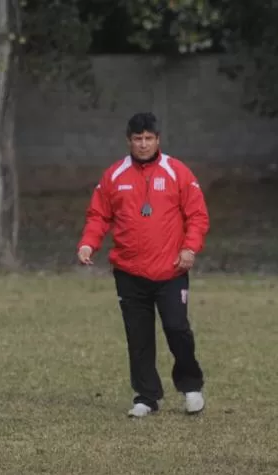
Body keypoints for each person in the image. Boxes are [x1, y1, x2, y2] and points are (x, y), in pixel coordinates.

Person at [77, 112, 209, 418]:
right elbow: (99, 216)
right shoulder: (114, 175)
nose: (143, 144)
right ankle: (147, 396)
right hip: (129, 272)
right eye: (138, 139)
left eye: (149, 138)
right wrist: (88, 243)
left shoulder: (177, 172)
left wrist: (190, 248)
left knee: (177, 328)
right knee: (138, 336)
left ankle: (191, 387)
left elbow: (198, 215)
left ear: (158, 140)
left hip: (171, 270)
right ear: (129, 141)